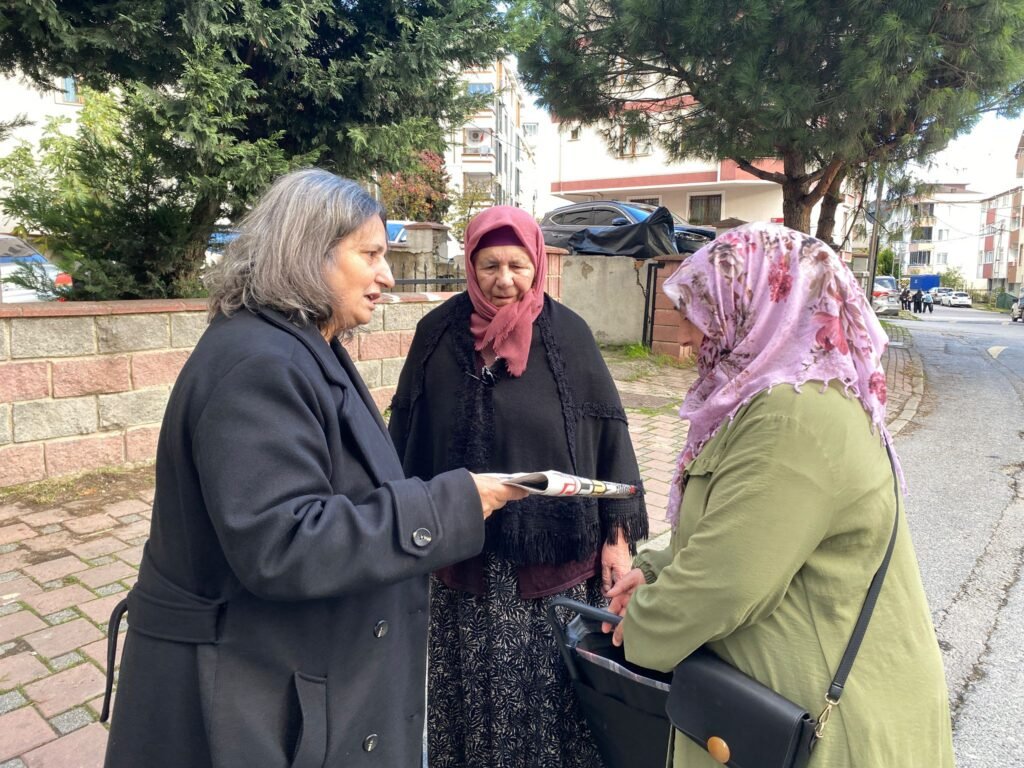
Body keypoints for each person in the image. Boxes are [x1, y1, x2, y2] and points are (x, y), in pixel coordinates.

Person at [100, 169, 526, 768]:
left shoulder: (303, 345)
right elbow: (284, 542)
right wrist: (453, 505)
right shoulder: (260, 363)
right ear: (308, 252)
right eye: (370, 255)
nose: (387, 275)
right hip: (241, 698)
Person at [605, 223, 954, 768]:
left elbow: (728, 581)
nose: (690, 335)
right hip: (782, 711)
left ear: (765, 306)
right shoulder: (775, 400)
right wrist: (654, 569)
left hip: (824, 730)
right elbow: (739, 527)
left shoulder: (792, 417)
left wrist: (643, 625)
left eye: (703, 311)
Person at [389, 205, 649, 768]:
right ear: (470, 265)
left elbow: (609, 437)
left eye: (517, 266)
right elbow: (407, 432)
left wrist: (617, 539)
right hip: (465, 566)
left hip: (552, 567)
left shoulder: (569, 336)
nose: (504, 280)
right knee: (471, 701)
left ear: (536, 264)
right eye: (489, 266)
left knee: (551, 705)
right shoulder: (436, 335)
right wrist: (403, 528)